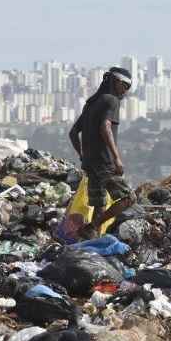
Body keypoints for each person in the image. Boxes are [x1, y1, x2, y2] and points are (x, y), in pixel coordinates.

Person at [69, 67, 136, 239]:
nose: (126, 91)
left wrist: (83, 156)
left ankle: (94, 244)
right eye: (125, 86)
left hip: (90, 164)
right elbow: (105, 127)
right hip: (104, 162)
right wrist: (117, 158)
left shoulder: (91, 103)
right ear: (116, 82)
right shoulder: (111, 100)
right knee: (128, 198)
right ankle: (91, 227)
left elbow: (73, 133)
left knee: (100, 204)